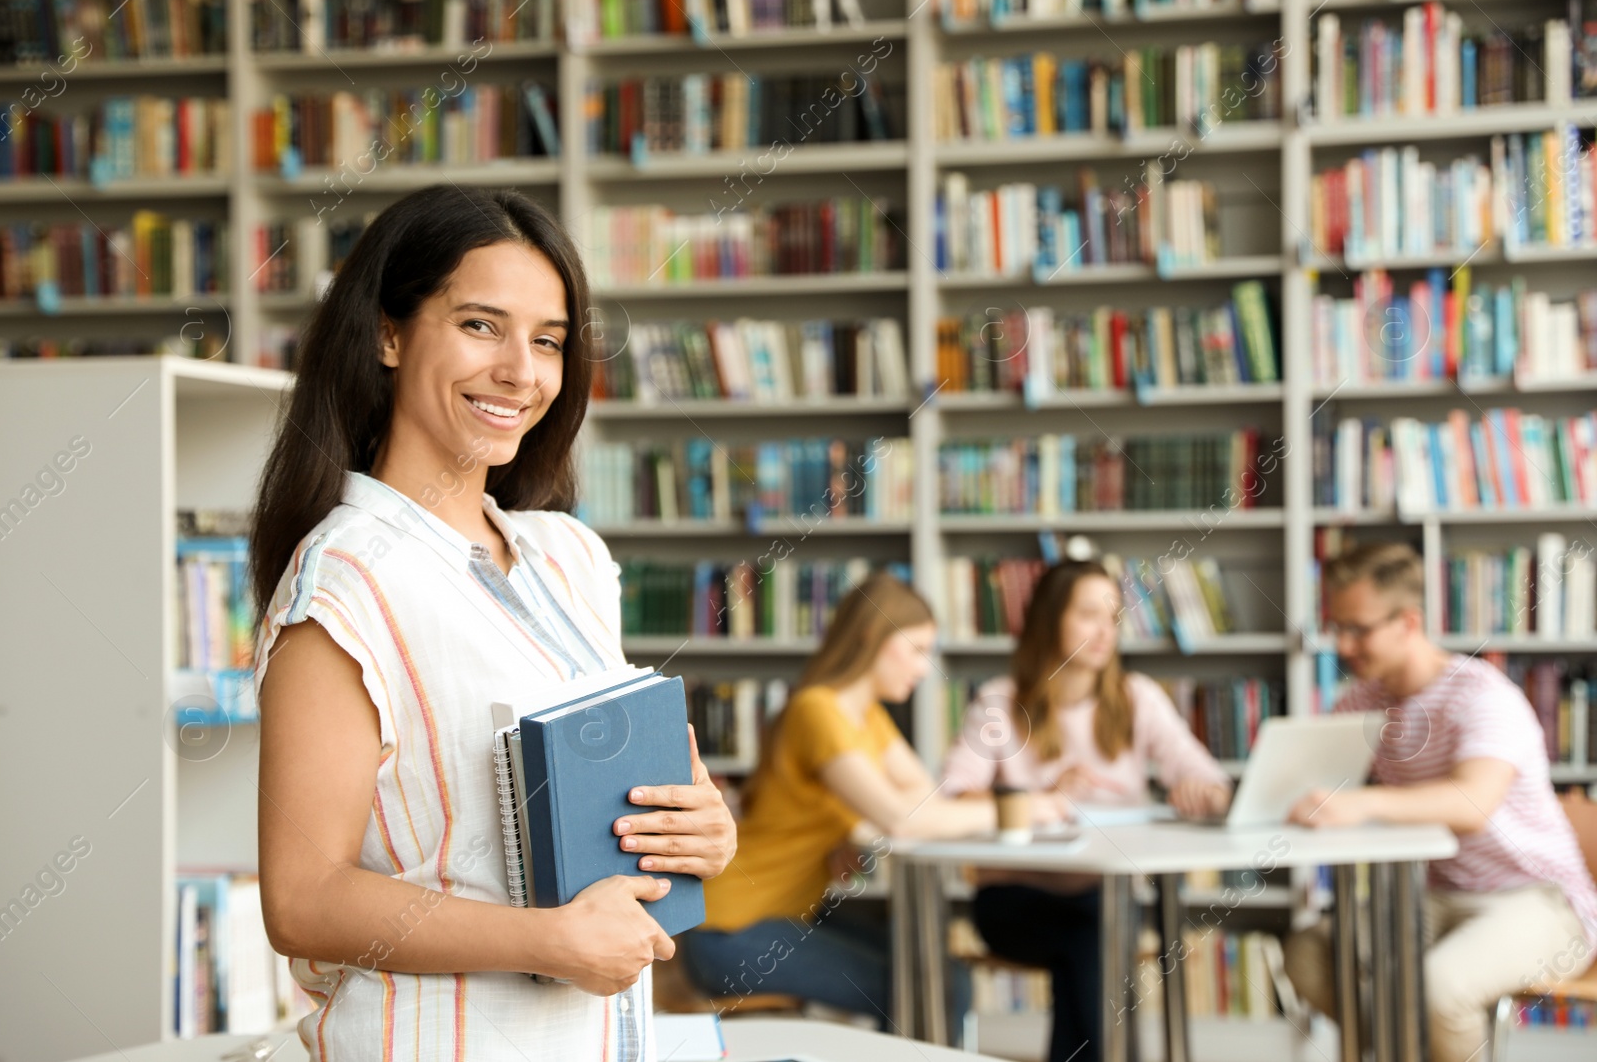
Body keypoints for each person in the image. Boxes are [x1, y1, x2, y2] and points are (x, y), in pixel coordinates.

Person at [250, 185, 736, 1061]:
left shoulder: (569, 558)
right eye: (481, 325)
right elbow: (302, 897)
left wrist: (701, 829)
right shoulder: (345, 581)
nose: (522, 371)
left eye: (548, 340)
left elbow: (617, 811)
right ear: (388, 335)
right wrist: (545, 941)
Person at [1283, 541, 1597, 1062]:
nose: (1342, 645)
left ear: (1408, 621)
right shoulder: (1360, 703)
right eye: (1336, 627)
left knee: (1439, 987)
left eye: (1357, 629)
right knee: (1310, 953)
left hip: (1540, 900)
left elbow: (1472, 804)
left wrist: (1361, 804)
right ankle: (1403, 1048)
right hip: (1434, 896)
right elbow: (1311, 783)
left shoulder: (1482, 695)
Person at [941, 559, 1235, 1062]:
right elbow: (949, 800)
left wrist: (1204, 794)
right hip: (1016, 899)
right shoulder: (998, 703)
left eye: (1113, 617)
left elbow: (1210, 780)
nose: (1105, 632)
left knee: (1093, 936)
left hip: (1108, 898)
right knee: (1095, 941)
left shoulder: (1136, 698)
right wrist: (1039, 803)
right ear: (1049, 620)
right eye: (1087, 615)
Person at [678, 572, 990, 1024]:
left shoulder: (865, 717)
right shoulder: (817, 710)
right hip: (730, 932)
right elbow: (906, 818)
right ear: (872, 636)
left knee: (944, 977)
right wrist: (1008, 810)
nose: (924, 668)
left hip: (786, 914)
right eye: (917, 650)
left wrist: (852, 828)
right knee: (932, 987)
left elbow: (925, 797)